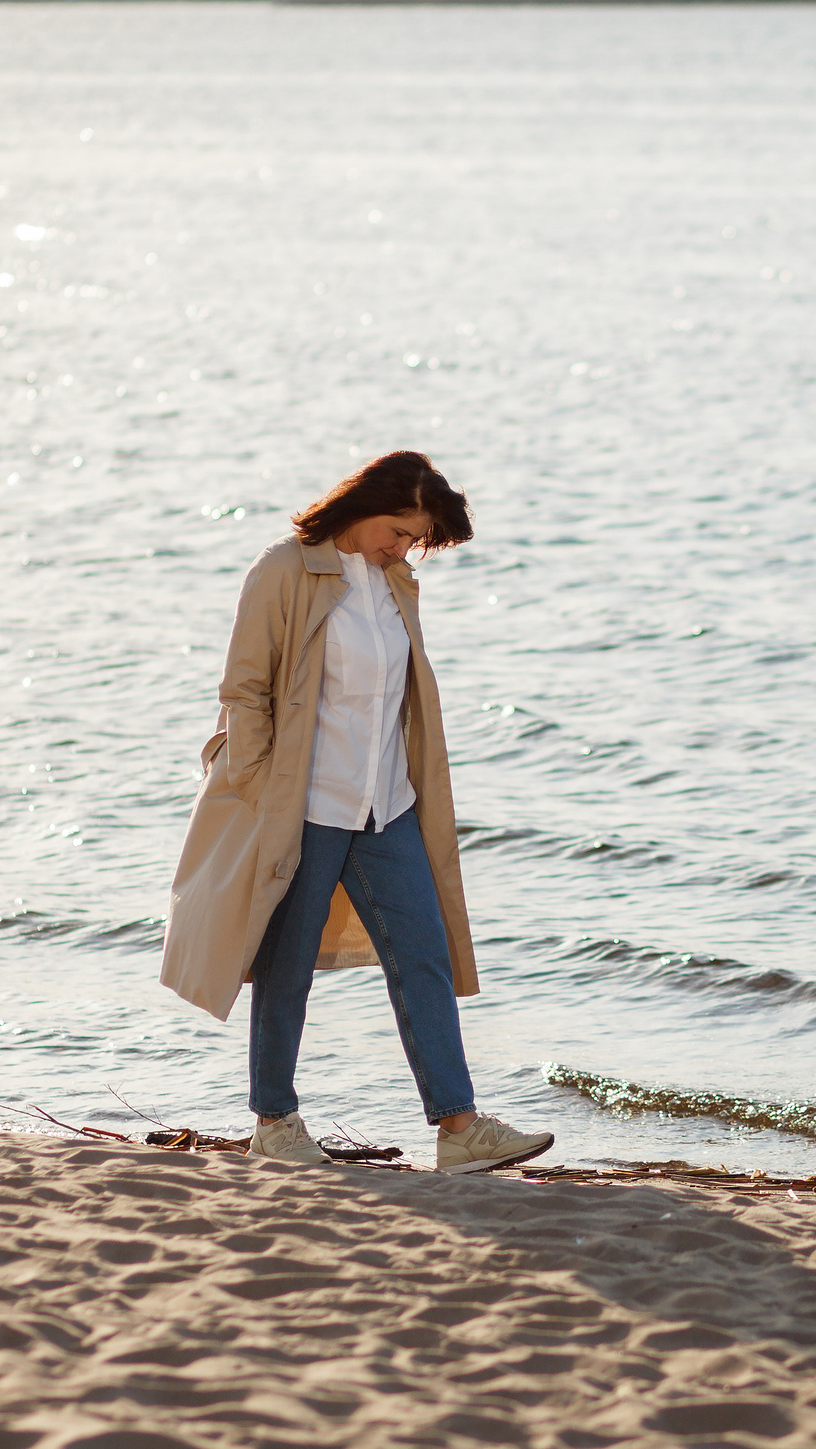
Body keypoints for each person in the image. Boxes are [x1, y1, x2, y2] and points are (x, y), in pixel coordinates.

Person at [159, 451, 553, 1174]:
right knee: (287, 969)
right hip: (305, 806)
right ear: (365, 504)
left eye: (414, 540)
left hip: (388, 806)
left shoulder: (392, 581)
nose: (404, 548)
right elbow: (243, 689)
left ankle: (459, 1127)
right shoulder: (285, 570)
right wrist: (257, 781)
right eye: (399, 531)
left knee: (424, 957)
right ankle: (275, 1121)